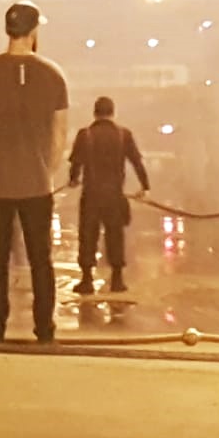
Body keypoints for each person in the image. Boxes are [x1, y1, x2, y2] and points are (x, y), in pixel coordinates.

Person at [0, 1, 69, 343]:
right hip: (37, 185)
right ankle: (44, 329)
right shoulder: (54, 74)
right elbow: (59, 133)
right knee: (41, 260)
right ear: (34, 30)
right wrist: (47, 169)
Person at [68, 96, 150, 295]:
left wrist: (73, 179)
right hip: (114, 195)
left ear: (95, 113)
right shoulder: (123, 135)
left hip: (91, 195)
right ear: (113, 113)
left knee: (88, 236)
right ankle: (117, 280)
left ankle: (87, 280)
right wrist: (144, 186)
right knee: (115, 235)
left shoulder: (85, 134)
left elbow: (75, 163)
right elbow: (137, 162)